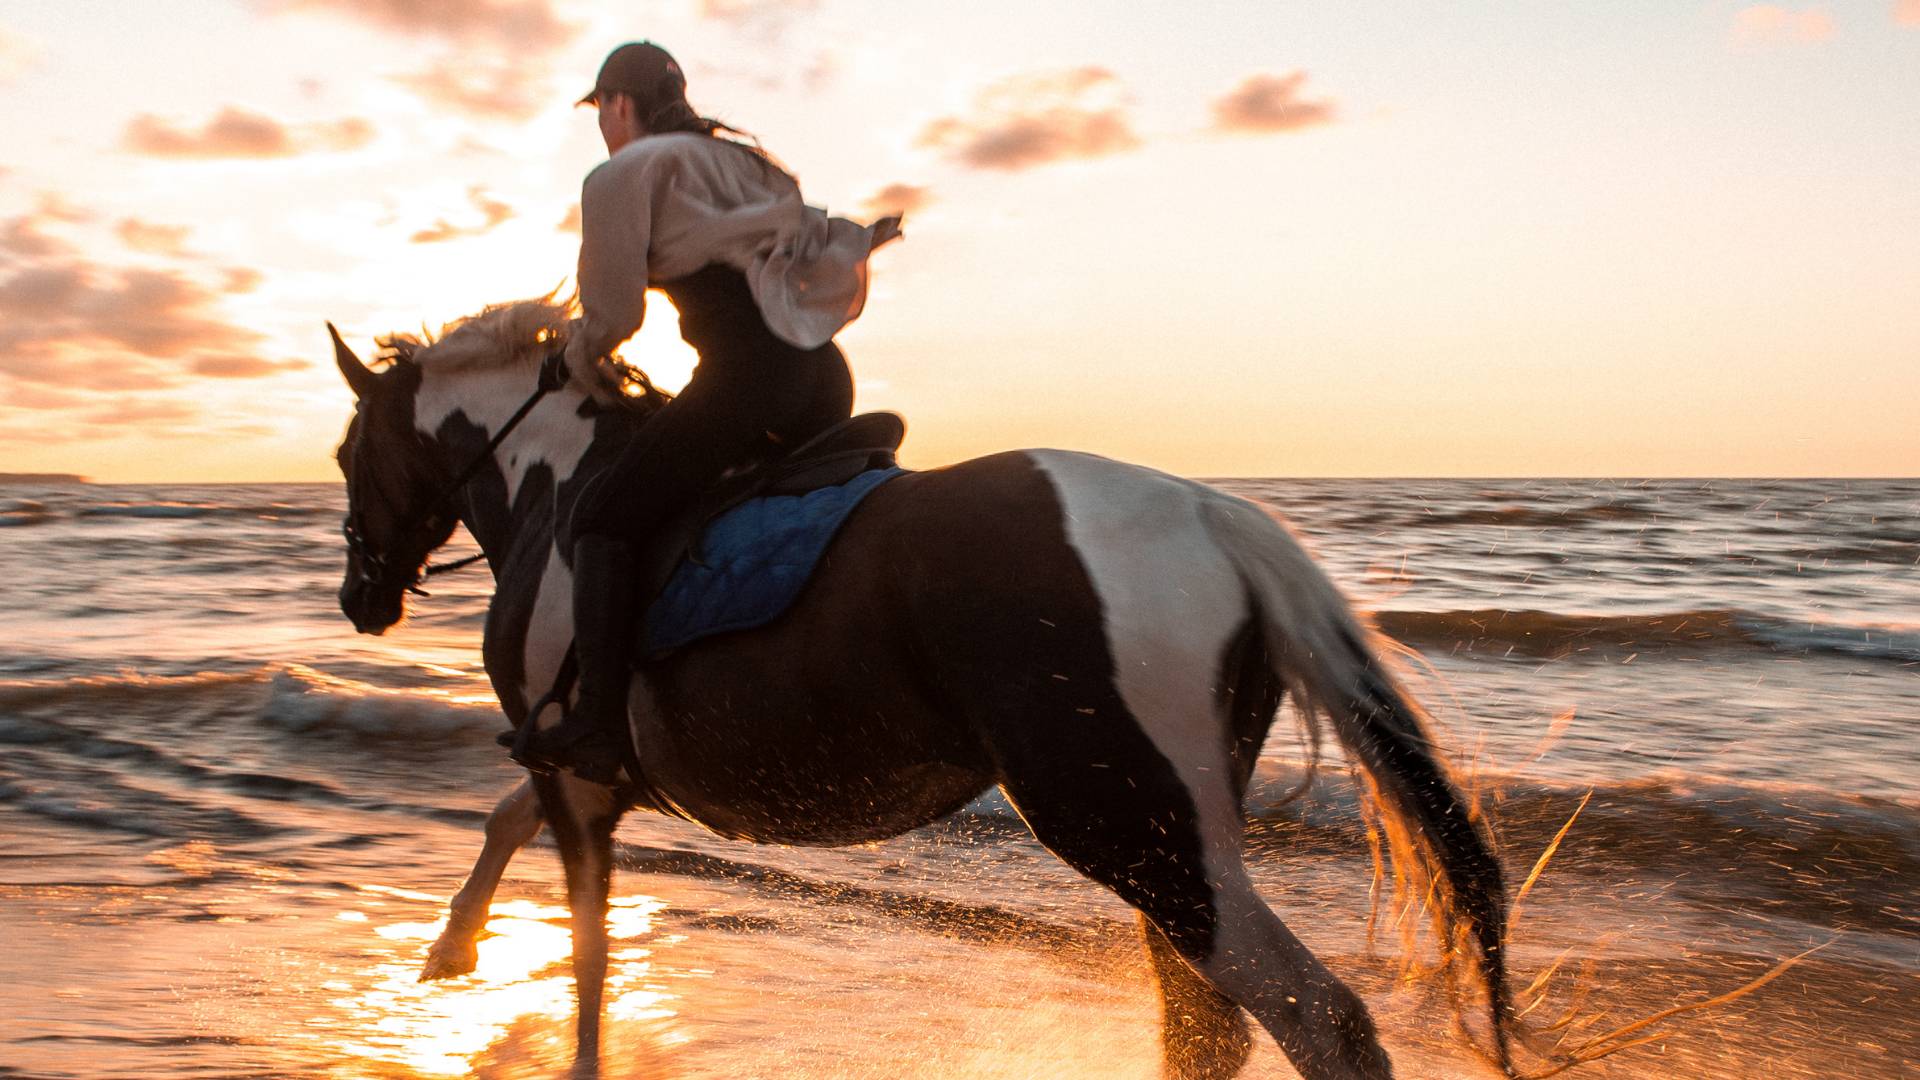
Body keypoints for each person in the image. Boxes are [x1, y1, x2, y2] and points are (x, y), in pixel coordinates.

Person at [515, 42, 902, 781]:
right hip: (822, 375)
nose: (603, 126)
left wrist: (570, 357)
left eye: (601, 111)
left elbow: (613, 314)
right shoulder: (751, 166)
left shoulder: (623, 174)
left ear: (618, 104)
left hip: (746, 379)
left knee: (602, 517)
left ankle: (597, 722)